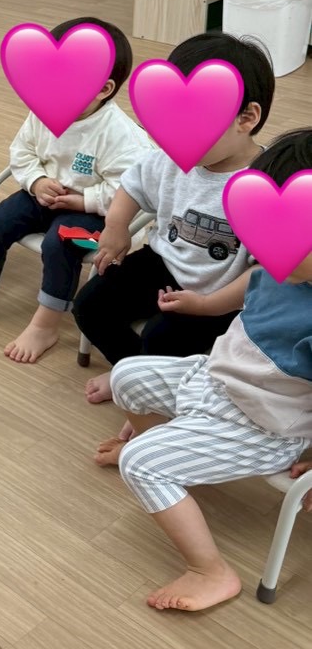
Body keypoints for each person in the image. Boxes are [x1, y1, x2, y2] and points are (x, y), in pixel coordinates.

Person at [103, 129, 312, 613]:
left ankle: (210, 571)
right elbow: (243, 290)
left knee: (142, 463)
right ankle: (180, 458)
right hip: (216, 380)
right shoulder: (278, 267)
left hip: (265, 426)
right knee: (126, 376)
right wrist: (201, 304)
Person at [0, 17, 149, 363]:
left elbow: (130, 190)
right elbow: (22, 153)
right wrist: (36, 181)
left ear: (103, 89)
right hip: (44, 195)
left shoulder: (121, 136)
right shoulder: (43, 110)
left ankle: (46, 324)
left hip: (98, 215)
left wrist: (84, 200)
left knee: (62, 242)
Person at [77, 31, 274, 406]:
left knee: (163, 338)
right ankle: (133, 373)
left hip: (223, 291)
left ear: (246, 118)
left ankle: (154, 389)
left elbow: (266, 271)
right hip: (164, 261)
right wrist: (116, 227)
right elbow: (132, 186)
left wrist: (209, 305)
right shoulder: (169, 160)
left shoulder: (266, 185)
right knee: (90, 306)